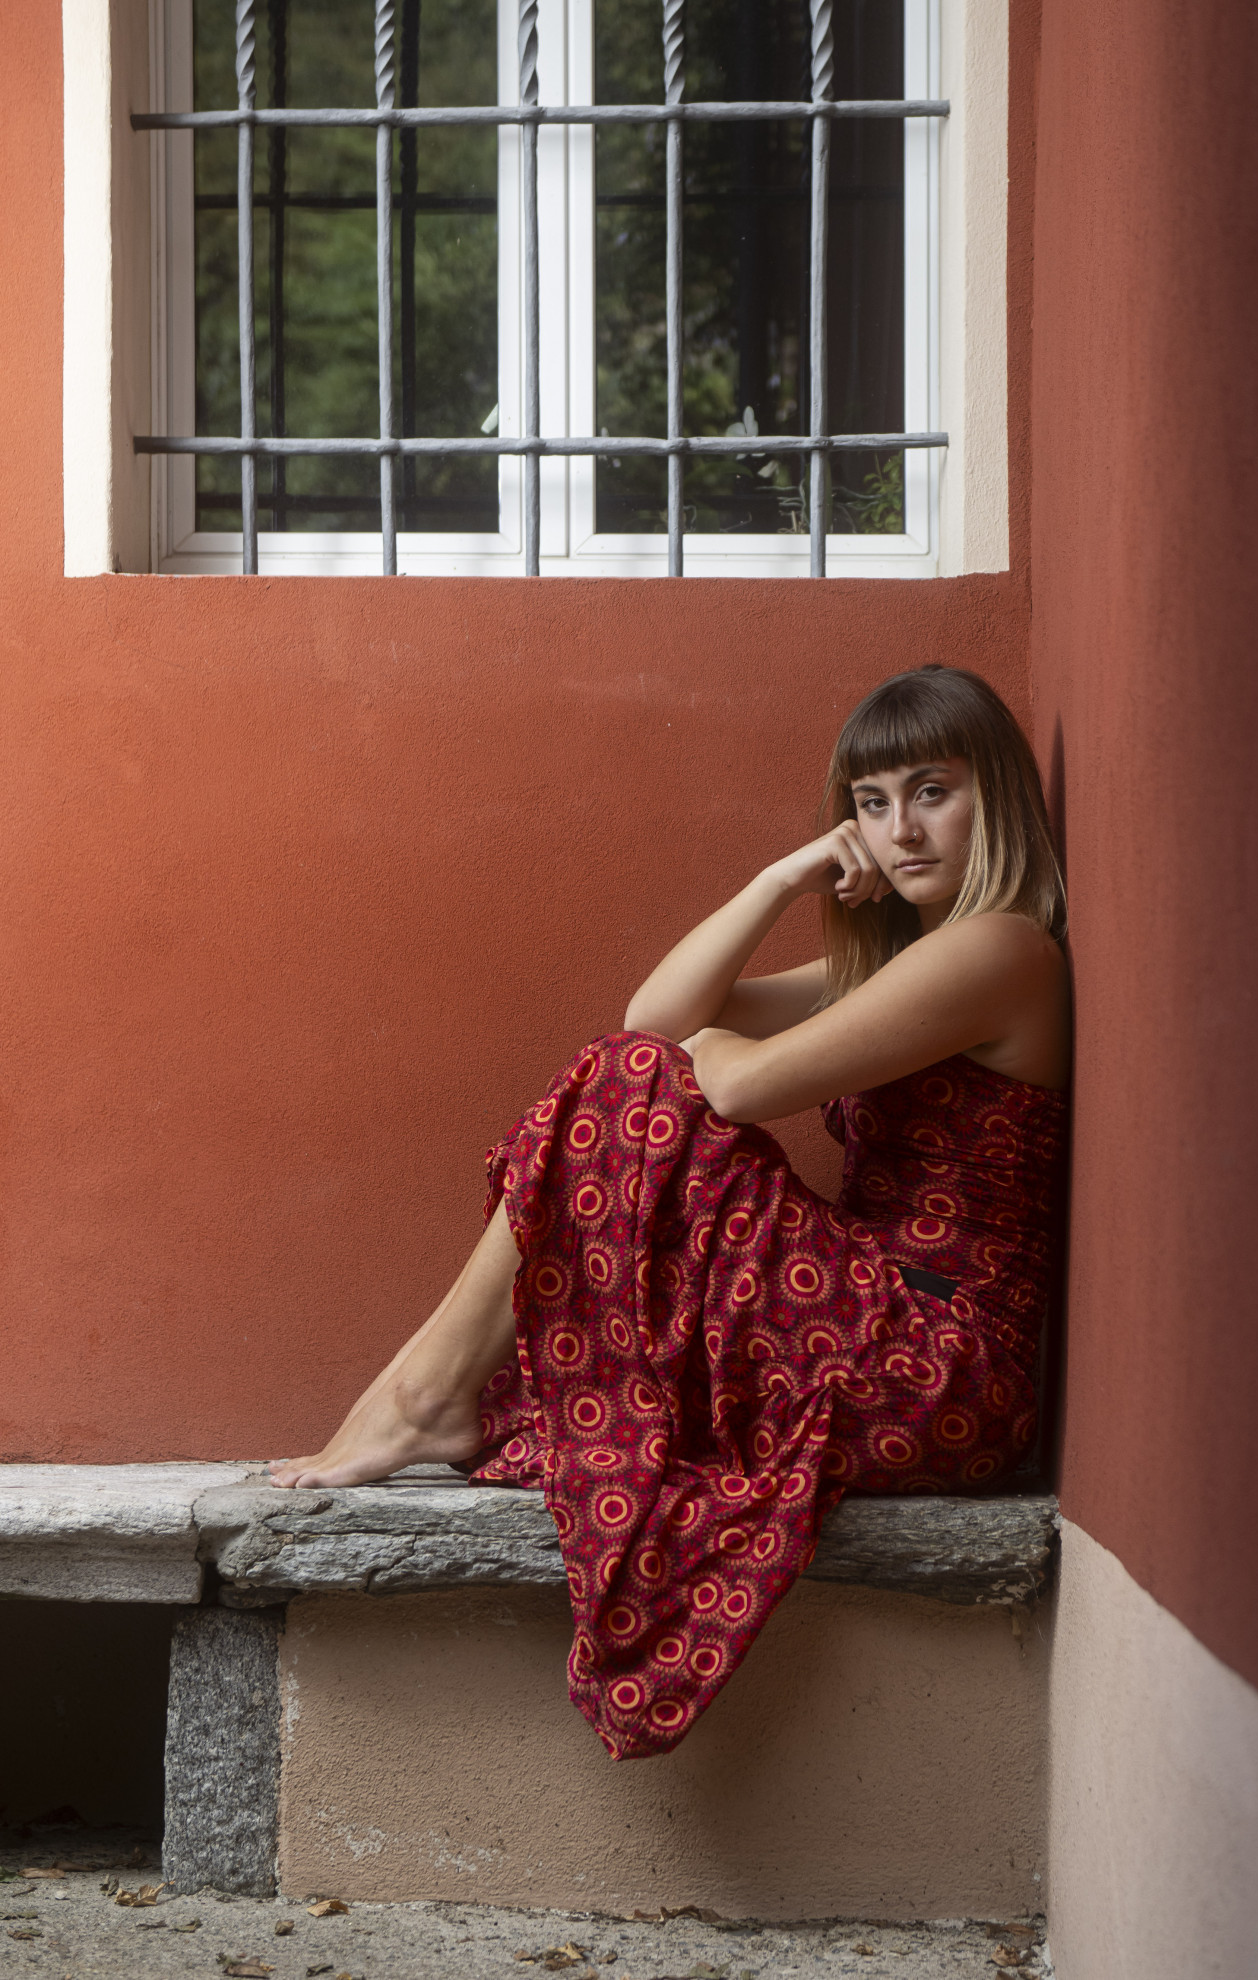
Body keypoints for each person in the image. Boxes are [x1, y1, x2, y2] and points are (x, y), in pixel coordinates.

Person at [270, 665, 1070, 1760]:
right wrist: (784, 876)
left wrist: (711, 1054)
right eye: (872, 803)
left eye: (933, 792)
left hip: (936, 1354)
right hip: (874, 1319)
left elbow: (730, 1085)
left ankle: (424, 1394)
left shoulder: (1003, 947)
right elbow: (658, 1016)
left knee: (638, 1082)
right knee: (632, 1067)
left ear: (997, 797)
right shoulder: (906, 960)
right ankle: (425, 1393)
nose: (901, 832)